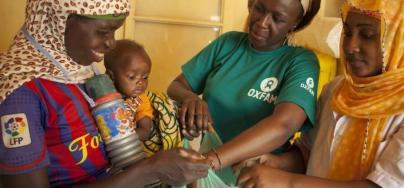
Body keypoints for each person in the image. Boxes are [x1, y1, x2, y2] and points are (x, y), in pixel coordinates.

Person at [0, 0, 209, 187]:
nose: (111, 43)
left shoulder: (80, 69)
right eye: (103, 32)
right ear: (58, 21)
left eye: (114, 31)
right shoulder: (20, 96)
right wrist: (148, 171)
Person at [237, 0, 404, 187]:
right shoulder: (336, 90)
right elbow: (308, 153)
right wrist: (275, 163)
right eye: (347, 33)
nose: (350, 47)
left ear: (398, 40)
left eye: (367, 35)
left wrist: (288, 182)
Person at [167, 0, 321, 173]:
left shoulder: (300, 62)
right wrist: (191, 99)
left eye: (277, 19)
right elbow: (176, 86)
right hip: (206, 169)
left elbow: (284, 124)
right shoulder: (227, 44)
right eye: (259, 9)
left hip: (256, 176)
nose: (262, 22)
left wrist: (214, 159)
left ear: (295, 23)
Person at [104, 40, 181, 157]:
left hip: (129, 154)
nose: (140, 82)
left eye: (145, 77)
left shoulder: (140, 100)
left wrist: (118, 138)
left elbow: (145, 131)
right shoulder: (101, 95)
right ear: (111, 76)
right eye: (132, 77)